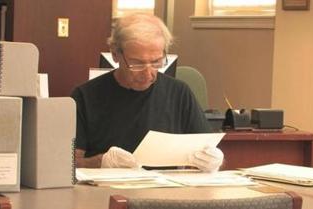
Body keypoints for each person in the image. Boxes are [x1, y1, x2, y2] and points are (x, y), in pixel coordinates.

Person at [71, 13, 224, 172]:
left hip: (165, 191)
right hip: (104, 192)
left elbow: (206, 148)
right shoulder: (85, 97)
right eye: (137, 64)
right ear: (115, 54)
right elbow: (67, 165)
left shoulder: (179, 93)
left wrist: (212, 160)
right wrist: (100, 162)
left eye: (156, 62)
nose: (148, 73)